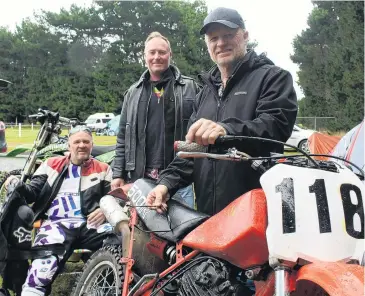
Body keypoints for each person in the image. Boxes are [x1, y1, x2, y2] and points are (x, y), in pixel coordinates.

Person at [147, 7, 298, 215]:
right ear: (207, 44)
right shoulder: (205, 93)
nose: (220, 43)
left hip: (257, 216)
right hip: (209, 218)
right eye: (213, 38)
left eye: (228, 35)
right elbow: (192, 151)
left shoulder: (273, 78)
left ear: (245, 36)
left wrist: (226, 131)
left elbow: (275, 126)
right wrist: (165, 185)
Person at [3, 126, 112, 296]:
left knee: (119, 244)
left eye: (86, 142)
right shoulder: (51, 164)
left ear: (92, 145)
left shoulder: (103, 168)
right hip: (56, 224)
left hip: (92, 225)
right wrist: (17, 185)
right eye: (77, 141)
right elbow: (32, 192)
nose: (81, 145)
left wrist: (105, 210)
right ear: (69, 145)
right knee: (40, 275)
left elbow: (114, 197)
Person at [111, 31, 201, 208]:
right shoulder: (133, 93)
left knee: (182, 233)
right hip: (140, 178)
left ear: (170, 55)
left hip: (178, 181)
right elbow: (123, 137)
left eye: (162, 52)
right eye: (152, 52)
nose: (157, 57)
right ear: (144, 56)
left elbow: (198, 139)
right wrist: (117, 174)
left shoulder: (191, 88)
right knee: (142, 234)